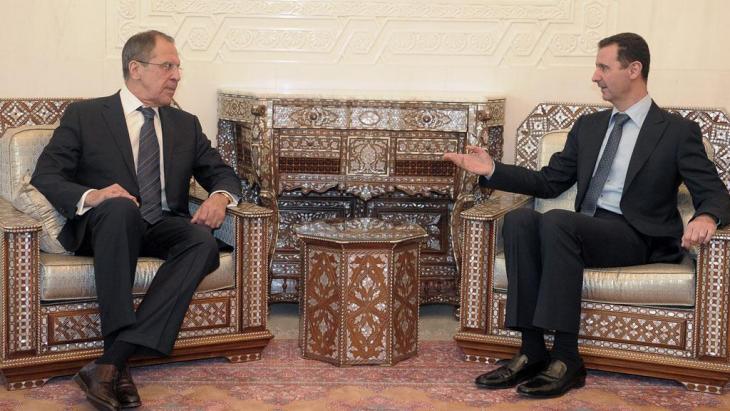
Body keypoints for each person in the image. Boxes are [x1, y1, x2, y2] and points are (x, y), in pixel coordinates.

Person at [444, 32, 730, 398]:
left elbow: (716, 194)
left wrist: (706, 217)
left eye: (603, 67)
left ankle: (566, 357)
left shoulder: (676, 132)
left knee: (558, 222)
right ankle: (531, 350)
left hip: (637, 236)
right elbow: (549, 182)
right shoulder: (589, 127)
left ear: (634, 69)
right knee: (520, 221)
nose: (595, 76)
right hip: (585, 231)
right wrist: (492, 170)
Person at [31, 30, 242, 410]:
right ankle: (117, 361)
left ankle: (112, 363)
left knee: (202, 243)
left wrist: (219, 196)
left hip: (161, 224)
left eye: (178, 67)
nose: (177, 75)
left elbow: (222, 173)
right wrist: (92, 196)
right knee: (119, 208)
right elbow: (46, 175)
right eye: (168, 66)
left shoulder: (185, 124)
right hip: (106, 226)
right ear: (135, 68)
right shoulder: (87, 115)